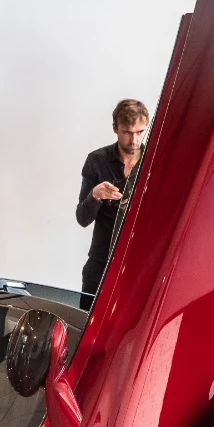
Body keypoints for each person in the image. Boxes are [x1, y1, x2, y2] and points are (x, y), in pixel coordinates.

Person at [75, 98, 150, 311]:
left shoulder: (155, 160)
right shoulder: (96, 160)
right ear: (115, 128)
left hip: (139, 267)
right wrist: (95, 195)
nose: (134, 140)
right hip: (100, 264)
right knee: (86, 329)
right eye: (127, 132)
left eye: (140, 132)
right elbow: (82, 218)